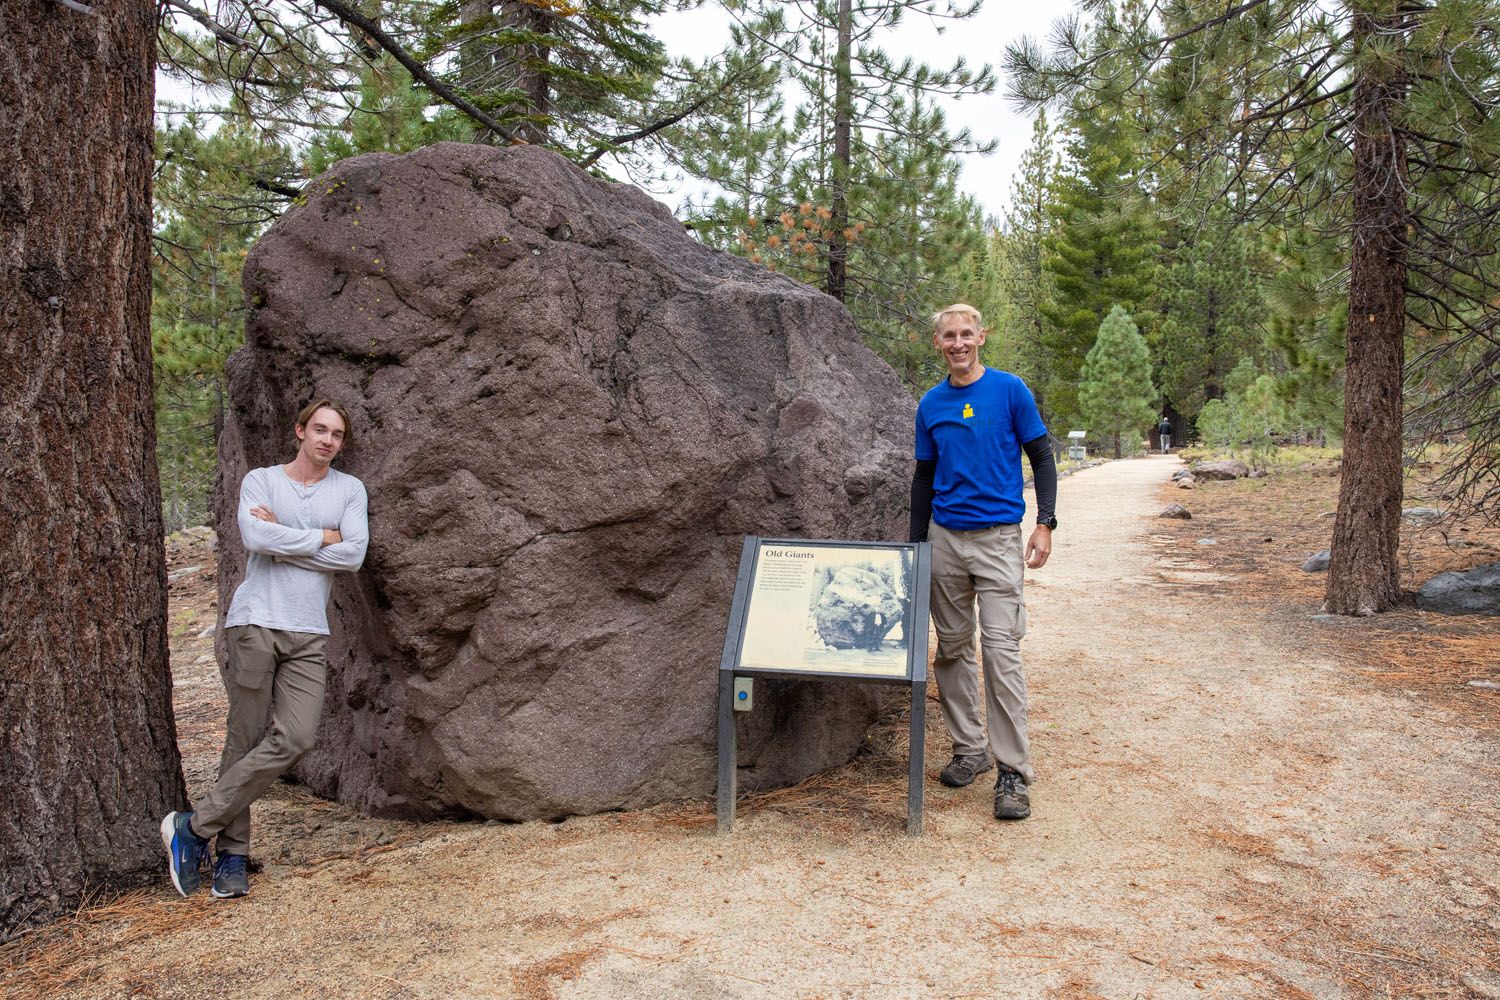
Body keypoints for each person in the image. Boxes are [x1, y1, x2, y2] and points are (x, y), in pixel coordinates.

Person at [162, 399, 369, 898]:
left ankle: (192, 828)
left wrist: (285, 536)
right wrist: (323, 535)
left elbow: (355, 554)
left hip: (309, 631)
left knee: (296, 737)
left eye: (336, 434)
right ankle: (232, 857)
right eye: (319, 429)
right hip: (255, 620)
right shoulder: (261, 480)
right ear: (300, 430)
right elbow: (255, 536)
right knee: (245, 738)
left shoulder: (349, 489)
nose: (327, 440)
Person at [909, 305, 1057, 821]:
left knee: (1001, 652)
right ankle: (968, 748)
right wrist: (916, 546)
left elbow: (1041, 455)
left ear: (981, 338)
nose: (958, 343)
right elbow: (924, 479)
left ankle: (1012, 771)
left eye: (966, 334)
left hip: (997, 541)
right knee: (951, 649)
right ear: (938, 343)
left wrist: (1046, 522)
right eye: (948, 336)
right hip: (945, 538)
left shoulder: (1010, 390)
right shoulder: (930, 404)